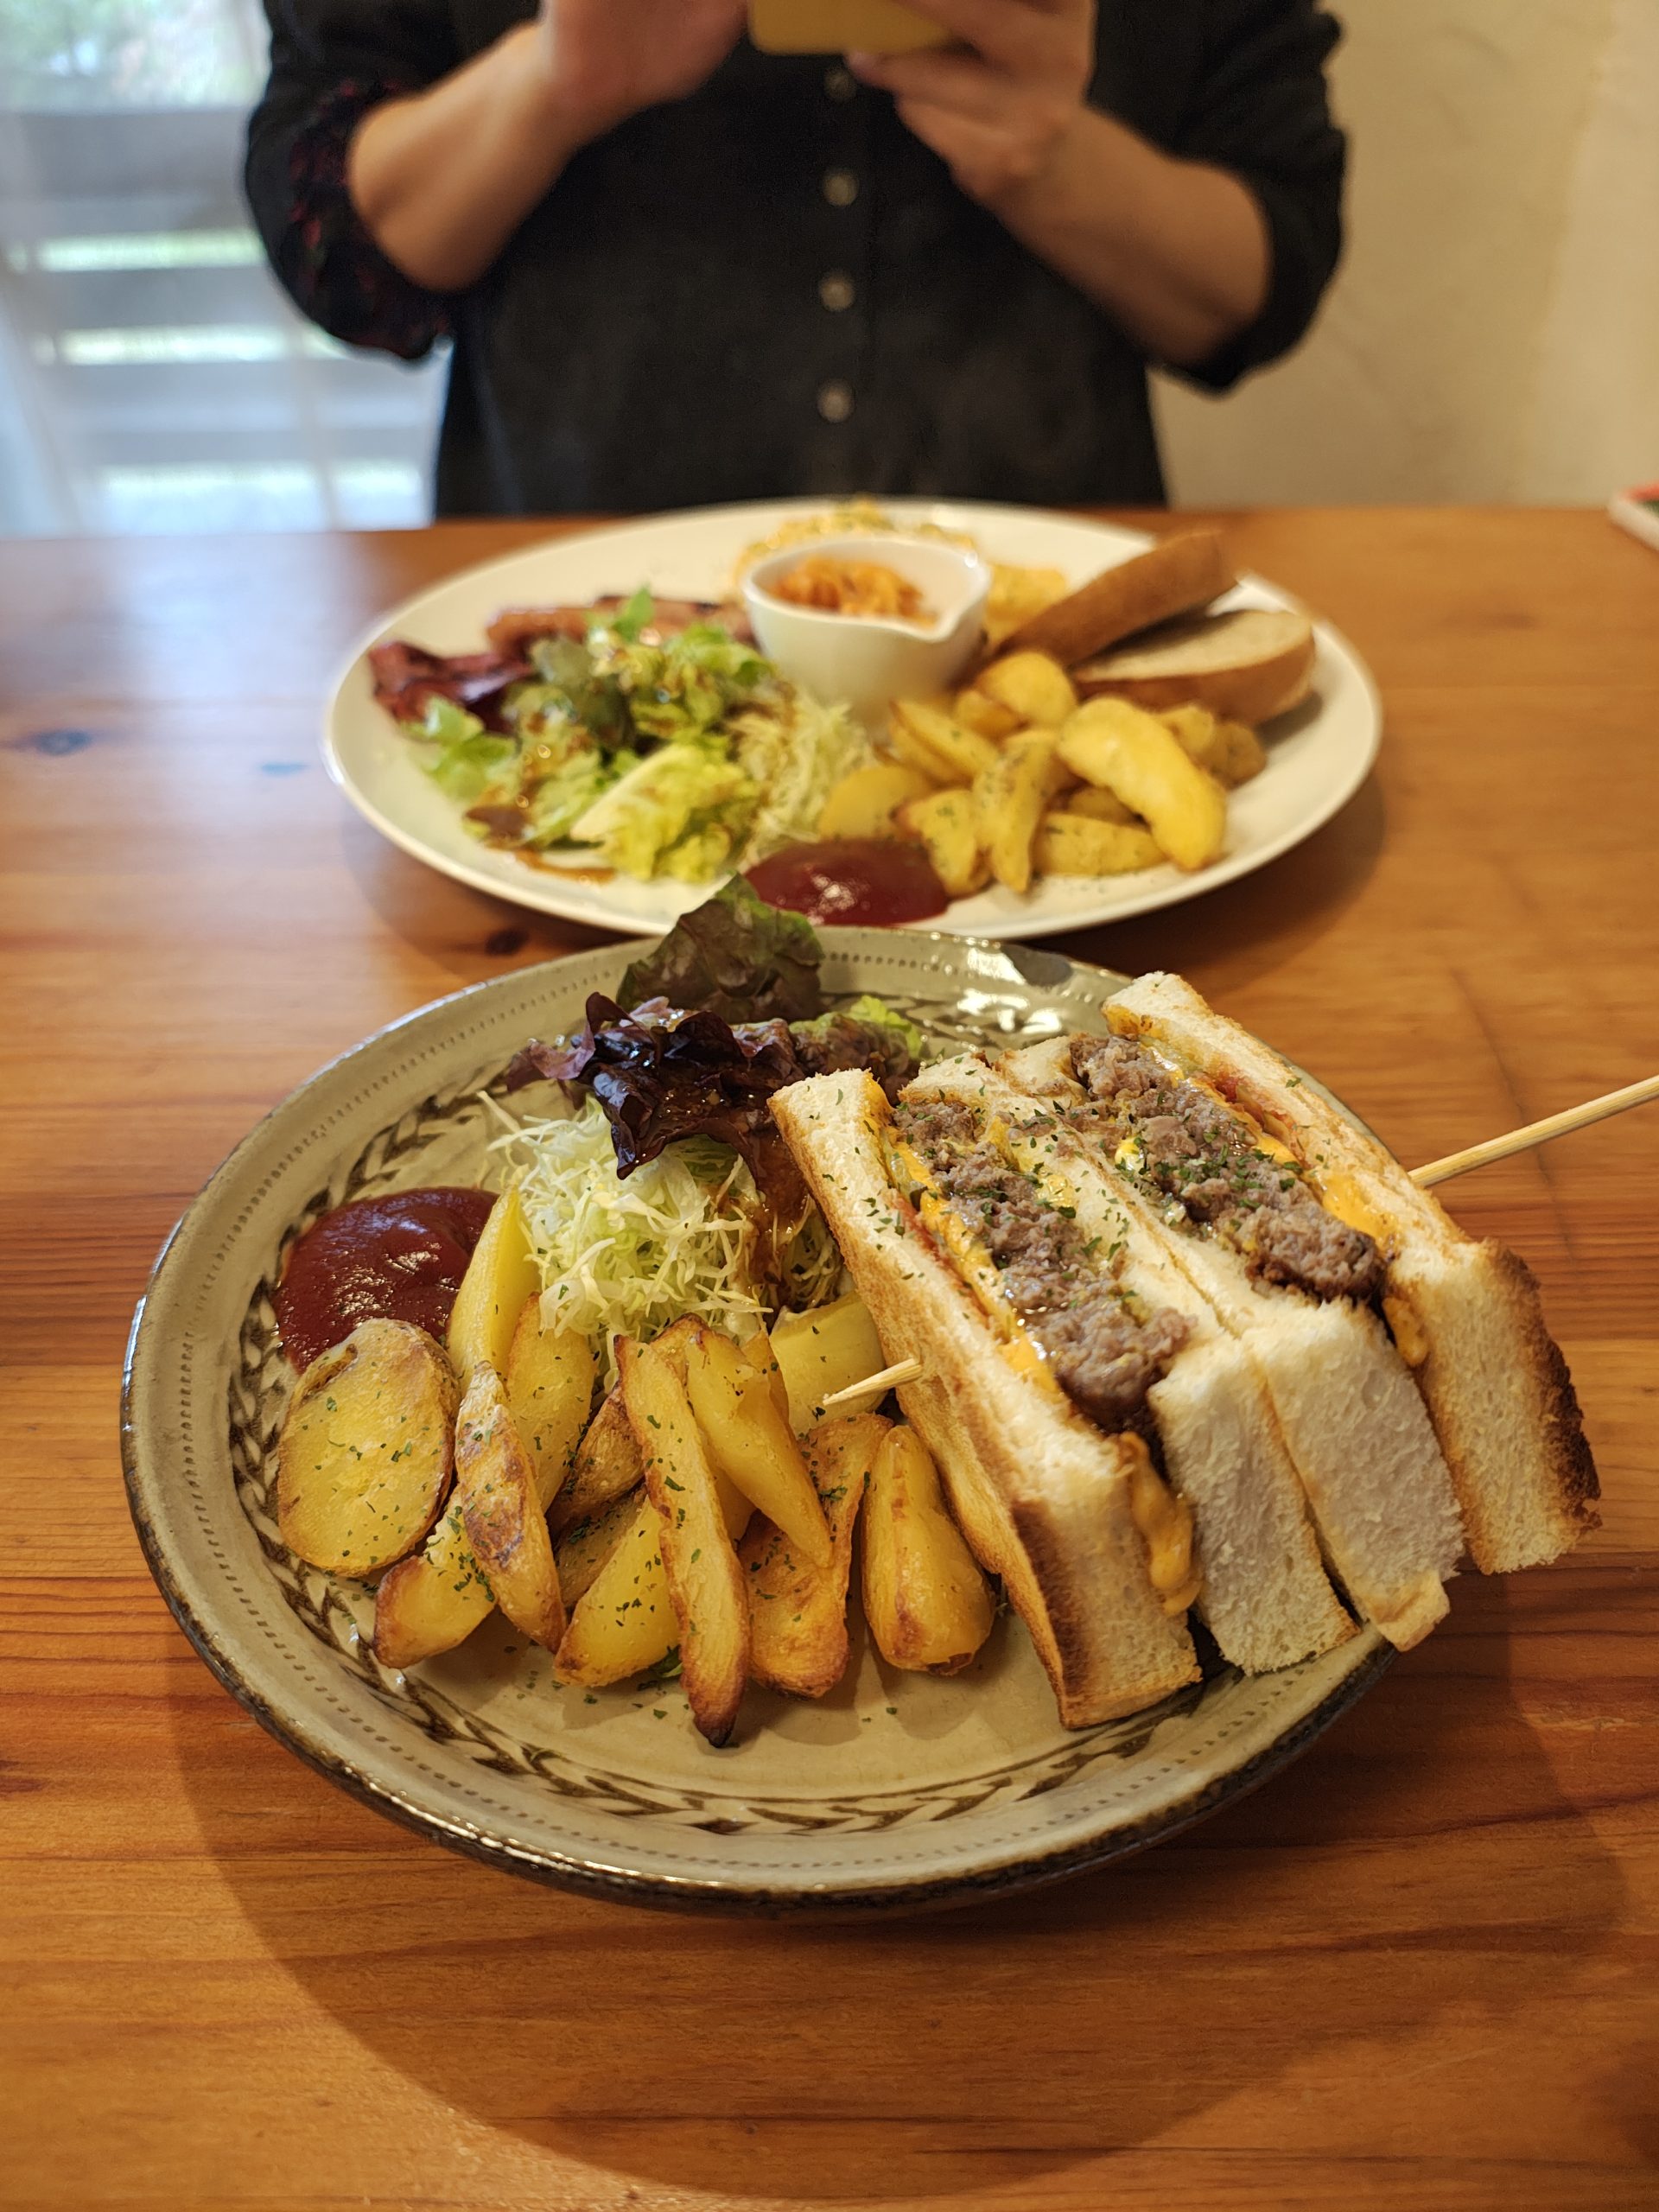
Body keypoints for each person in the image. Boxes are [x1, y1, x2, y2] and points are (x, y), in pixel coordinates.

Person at [246, 0, 1344, 515]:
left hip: (1040, 650)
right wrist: (551, 87)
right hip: (570, 664)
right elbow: (336, 249)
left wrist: (1054, 164)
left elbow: (1264, 278)